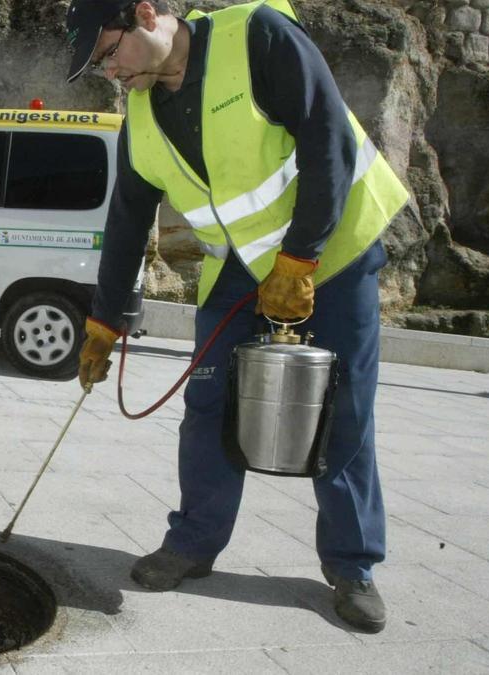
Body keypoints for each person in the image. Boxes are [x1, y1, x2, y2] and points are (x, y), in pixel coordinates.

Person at [66, 0, 409, 633]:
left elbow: (324, 137)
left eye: (109, 53)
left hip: (334, 253)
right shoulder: (139, 120)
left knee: (346, 410)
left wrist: (301, 258)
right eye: (99, 67)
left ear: (145, 13)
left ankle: (352, 566)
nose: (110, 73)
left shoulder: (257, 35)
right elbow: (125, 222)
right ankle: (194, 543)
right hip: (241, 271)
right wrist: (105, 321)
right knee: (207, 404)